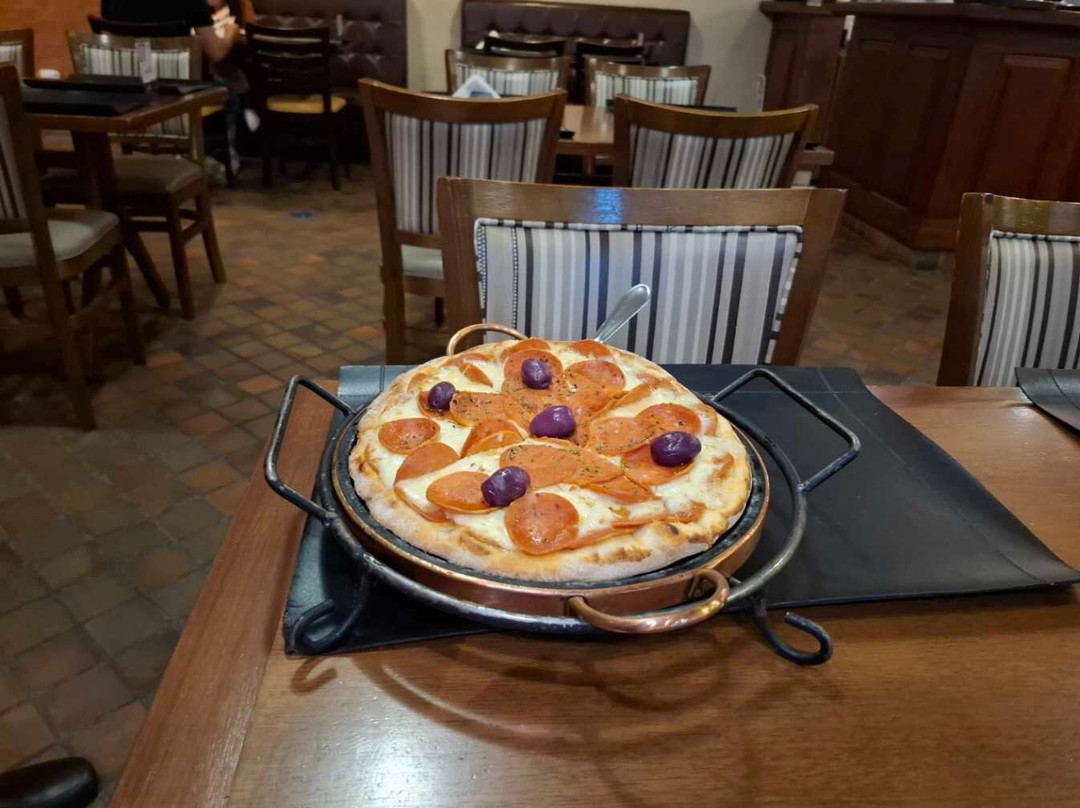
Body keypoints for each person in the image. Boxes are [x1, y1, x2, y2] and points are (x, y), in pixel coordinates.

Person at [100, 0, 239, 62]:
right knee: (231, 90)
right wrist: (231, 30)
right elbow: (216, 53)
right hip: (177, 90)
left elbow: (108, 38)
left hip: (128, 87)